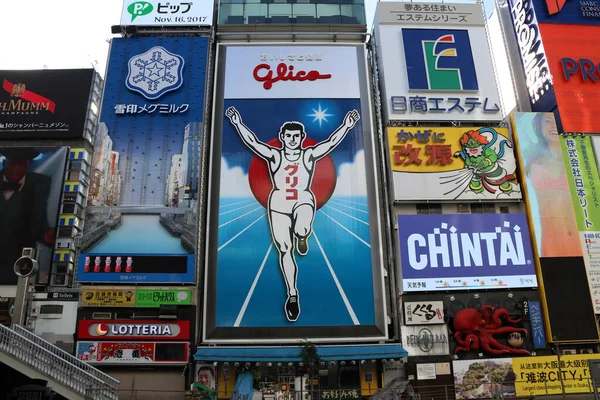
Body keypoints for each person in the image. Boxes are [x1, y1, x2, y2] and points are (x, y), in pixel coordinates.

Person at [225, 106, 360, 322]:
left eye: (296, 136)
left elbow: (330, 143)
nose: (292, 139)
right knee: (285, 250)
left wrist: (346, 125)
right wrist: (237, 123)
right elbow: (252, 142)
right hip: (278, 203)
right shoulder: (275, 156)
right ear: (282, 137)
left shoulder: (308, 155)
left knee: (302, 227)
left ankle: (303, 235)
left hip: (303, 199)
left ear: (301, 138)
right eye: (288, 136)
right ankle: (292, 295)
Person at [523, 113, 580, 258]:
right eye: (548, 121)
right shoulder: (532, 153)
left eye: (556, 121)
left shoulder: (576, 155)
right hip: (551, 240)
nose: (554, 125)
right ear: (539, 127)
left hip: (582, 237)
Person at [0, 148, 53, 283]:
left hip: (22, 263)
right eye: (12, 164)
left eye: (21, 164)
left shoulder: (41, 184)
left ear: (29, 164)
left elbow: (39, 222)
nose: (16, 169)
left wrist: (48, 236)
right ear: (4, 162)